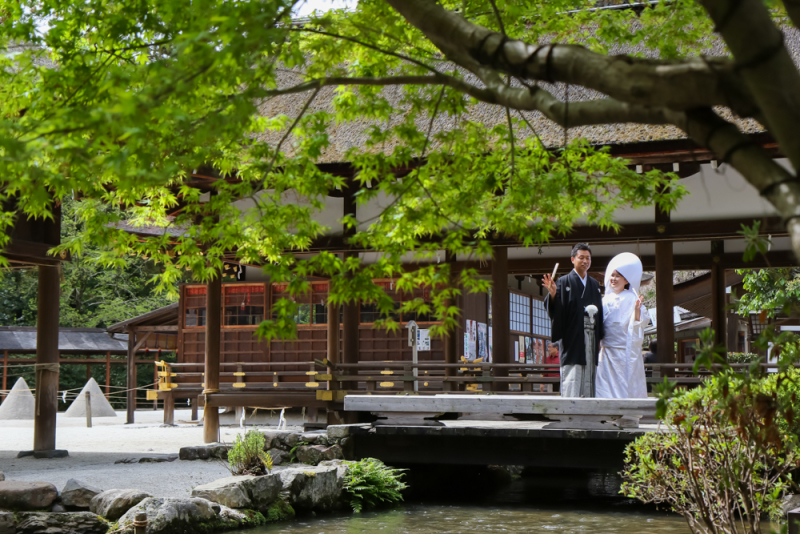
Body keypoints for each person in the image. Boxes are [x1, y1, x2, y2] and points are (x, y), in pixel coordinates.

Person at [543, 243, 604, 397]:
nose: (585, 261)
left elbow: (600, 313)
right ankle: (570, 411)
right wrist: (553, 295)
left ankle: (588, 413)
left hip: (591, 336)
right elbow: (556, 311)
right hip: (573, 337)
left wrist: (599, 337)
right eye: (581, 257)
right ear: (573, 259)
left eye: (588, 258)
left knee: (590, 371)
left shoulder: (594, 285)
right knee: (573, 372)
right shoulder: (563, 282)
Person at [595, 252, 650, 400]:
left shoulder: (633, 298)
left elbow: (641, 323)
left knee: (626, 386)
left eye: (618, 276)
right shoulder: (604, 300)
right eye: (612, 275)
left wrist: (637, 311)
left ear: (626, 279)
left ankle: (627, 417)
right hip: (607, 351)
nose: (613, 279)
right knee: (605, 387)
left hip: (626, 351)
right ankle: (607, 416)